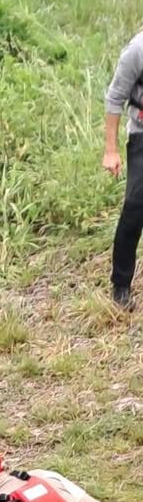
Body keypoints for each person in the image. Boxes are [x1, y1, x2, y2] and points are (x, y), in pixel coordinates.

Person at [104, 28, 143, 309]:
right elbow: (114, 98)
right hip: (142, 135)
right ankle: (121, 284)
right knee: (135, 207)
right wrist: (111, 150)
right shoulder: (137, 51)